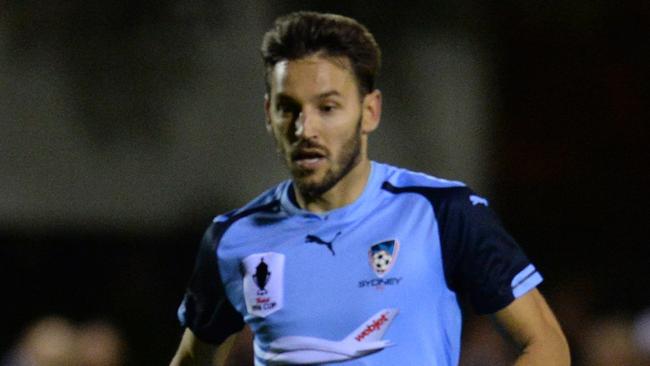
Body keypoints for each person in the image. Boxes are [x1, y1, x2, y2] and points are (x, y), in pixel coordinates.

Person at [170, 11, 570, 366]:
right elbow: (192, 359)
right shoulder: (233, 239)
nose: (304, 129)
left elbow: (546, 345)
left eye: (327, 108)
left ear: (370, 111)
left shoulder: (442, 211)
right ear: (268, 114)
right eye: (288, 108)